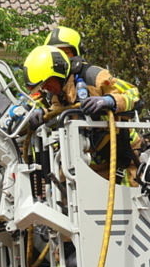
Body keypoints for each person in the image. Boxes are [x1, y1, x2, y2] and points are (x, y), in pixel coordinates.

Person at [22, 44, 142, 184]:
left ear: (59, 71)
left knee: (126, 197)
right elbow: (58, 111)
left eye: (46, 82)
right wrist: (43, 113)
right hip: (91, 162)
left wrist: (109, 101)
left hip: (123, 158)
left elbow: (134, 96)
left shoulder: (94, 77)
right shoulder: (57, 93)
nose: (45, 88)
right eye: (41, 86)